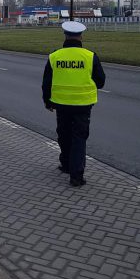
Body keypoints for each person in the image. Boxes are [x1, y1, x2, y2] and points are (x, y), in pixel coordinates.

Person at [42, 21, 105, 187]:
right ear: (81, 36)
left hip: (61, 104)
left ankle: (65, 164)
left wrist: (47, 101)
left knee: (63, 134)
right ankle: (76, 176)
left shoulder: (55, 56)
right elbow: (101, 81)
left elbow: (46, 83)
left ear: (65, 35)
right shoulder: (90, 56)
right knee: (79, 138)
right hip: (83, 105)